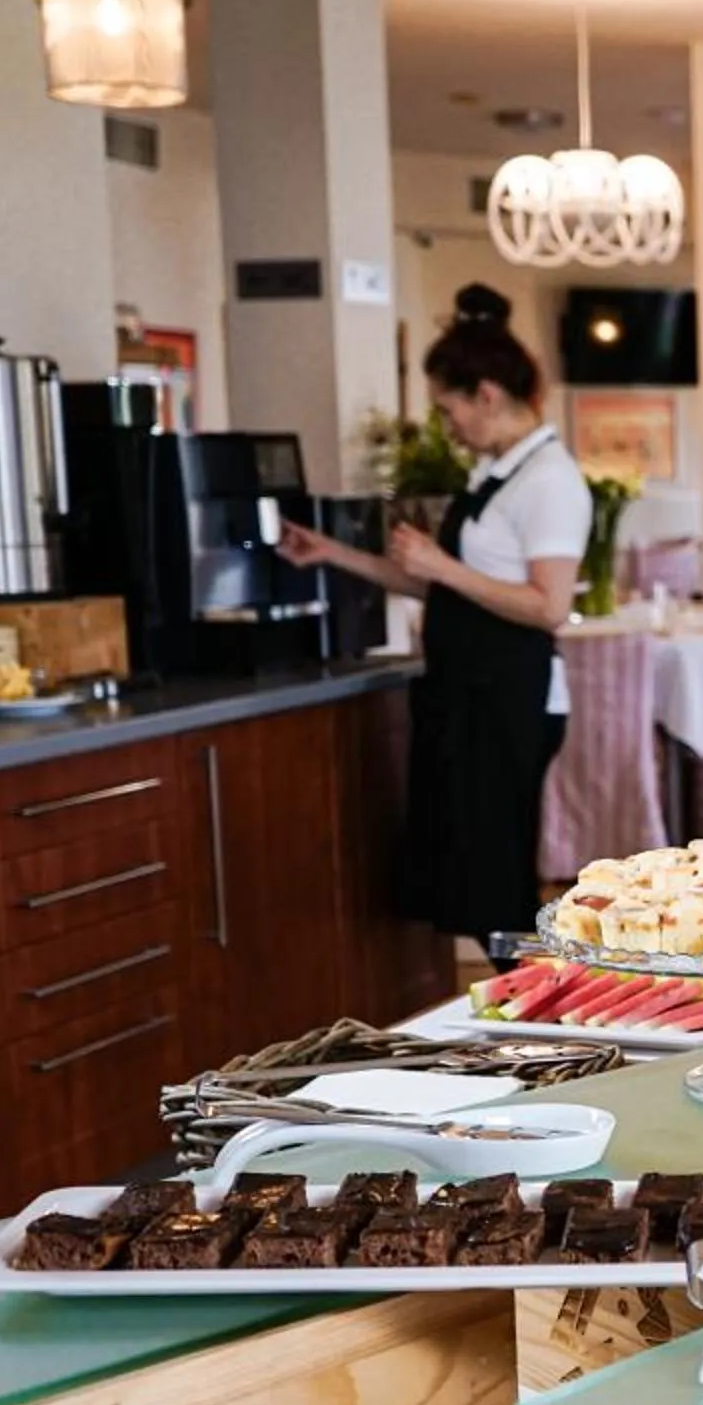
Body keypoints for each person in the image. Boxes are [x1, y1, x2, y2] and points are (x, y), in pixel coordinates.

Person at [279, 282, 590, 943]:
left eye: (449, 411)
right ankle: (524, 1018)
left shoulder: (549, 482)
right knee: (463, 875)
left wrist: (442, 565)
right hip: (464, 694)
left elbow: (549, 606)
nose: (449, 428)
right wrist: (334, 553)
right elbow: (441, 587)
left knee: (495, 879)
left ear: (486, 394)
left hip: (509, 698)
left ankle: (547, 1020)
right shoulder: (493, 476)